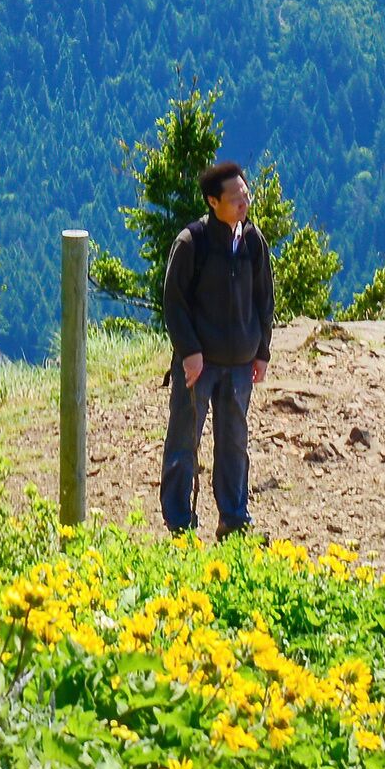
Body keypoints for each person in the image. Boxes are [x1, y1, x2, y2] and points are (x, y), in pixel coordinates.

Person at [159, 159, 274, 537]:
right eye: (236, 198)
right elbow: (173, 302)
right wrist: (189, 351)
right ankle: (179, 523)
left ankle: (234, 519)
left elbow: (264, 300)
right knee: (183, 442)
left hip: (241, 362)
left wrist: (262, 351)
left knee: (234, 445)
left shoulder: (254, 241)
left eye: (246, 195)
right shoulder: (192, 242)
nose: (244, 203)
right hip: (200, 365)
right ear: (213, 202)